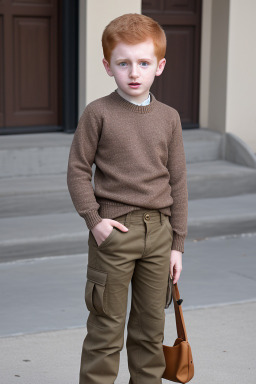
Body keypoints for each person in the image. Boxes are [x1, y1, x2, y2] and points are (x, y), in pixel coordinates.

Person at [67, 13, 188, 384]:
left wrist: (177, 244)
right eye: (123, 63)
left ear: (159, 66)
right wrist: (94, 220)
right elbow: (76, 170)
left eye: (143, 63)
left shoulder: (169, 118)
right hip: (115, 233)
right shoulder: (98, 113)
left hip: (159, 235)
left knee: (150, 330)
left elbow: (179, 181)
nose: (133, 72)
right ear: (108, 66)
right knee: (106, 330)